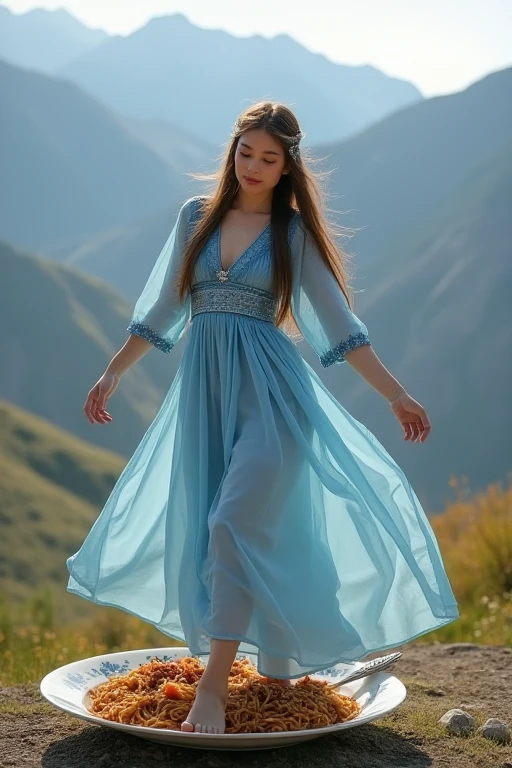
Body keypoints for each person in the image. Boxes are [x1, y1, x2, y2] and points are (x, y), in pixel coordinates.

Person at [68, 101, 459, 735]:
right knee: (224, 534)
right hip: (205, 402)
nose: (253, 166)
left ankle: (215, 694)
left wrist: (396, 394)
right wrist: (113, 370)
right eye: (245, 152)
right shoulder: (195, 217)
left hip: (276, 405)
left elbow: (341, 330)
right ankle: (276, 670)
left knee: (231, 526)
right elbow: (167, 306)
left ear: (287, 167)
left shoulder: (292, 235)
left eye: (268, 158)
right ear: (233, 152)